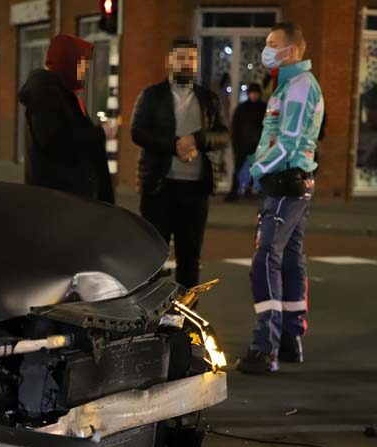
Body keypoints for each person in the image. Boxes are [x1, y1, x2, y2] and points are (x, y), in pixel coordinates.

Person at [235, 23, 324, 374]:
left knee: (265, 259)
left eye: (273, 44)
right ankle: (289, 340)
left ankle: (264, 347)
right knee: (289, 257)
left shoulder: (299, 87)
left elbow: (287, 142)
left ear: (293, 50)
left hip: (286, 184)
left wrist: (256, 170)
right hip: (290, 182)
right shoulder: (288, 85)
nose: (267, 49)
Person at [131, 38, 229, 289]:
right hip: (159, 187)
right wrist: (174, 145)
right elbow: (138, 132)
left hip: (196, 190)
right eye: (181, 58)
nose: (186, 64)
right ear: (169, 62)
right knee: (152, 257)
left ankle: (185, 319)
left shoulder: (208, 99)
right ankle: (151, 314)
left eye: (191, 59)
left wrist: (197, 139)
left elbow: (223, 135)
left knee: (190, 257)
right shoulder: (152, 96)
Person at [18, 34, 116, 202]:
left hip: (70, 198)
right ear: (68, 62)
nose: (85, 69)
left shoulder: (63, 93)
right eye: (82, 63)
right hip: (58, 201)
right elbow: (56, 142)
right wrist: (100, 133)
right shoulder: (46, 93)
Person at [225, 83, 266, 202]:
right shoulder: (242, 108)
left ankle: (249, 190)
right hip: (243, 144)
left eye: (256, 93)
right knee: (238, 168)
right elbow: (235, 127)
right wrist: (235, 143)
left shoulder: (263, 108)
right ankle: (234, 191)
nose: (254, 95)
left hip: (257, 144)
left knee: (256, 169)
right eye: (252, 93)